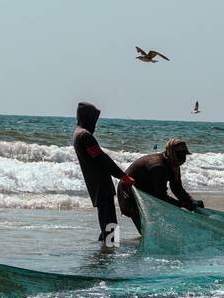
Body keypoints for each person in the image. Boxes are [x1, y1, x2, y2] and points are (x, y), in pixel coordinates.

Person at [72, 102, 133, 243]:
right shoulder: (85, 136)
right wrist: (123, 176)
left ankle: (104, 251)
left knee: (106, 223)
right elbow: (101, 158)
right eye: (94, 120)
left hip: (95, 185)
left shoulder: (77, 133)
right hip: (101, 185)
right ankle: (109, 253)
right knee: (110, 224)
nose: (95, 124)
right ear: (87, 118)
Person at [116, 138, 200, 234]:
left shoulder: (174, 164)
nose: (184, 158)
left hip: (147, 192)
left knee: (155, 229)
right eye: (181, 154)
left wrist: (191, 201)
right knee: (146, 232)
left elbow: (177, 188)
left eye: (185, 154)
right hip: (129, 194)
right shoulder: (158, 167)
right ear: (173, 153)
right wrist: (182, 204)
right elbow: (161, 196)